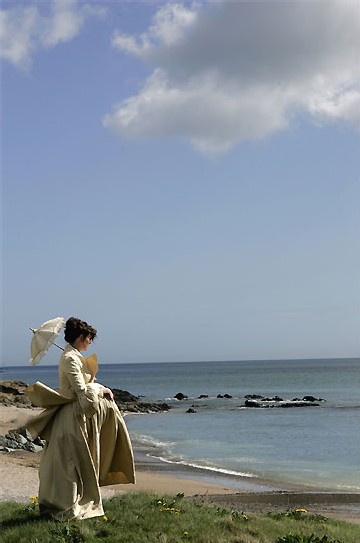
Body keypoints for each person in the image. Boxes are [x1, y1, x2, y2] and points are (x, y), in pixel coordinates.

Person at [26, 317, 135, 521]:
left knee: (76, 461)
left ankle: (71, 500)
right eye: (89, 338)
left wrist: (99, 388)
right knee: (71, 462)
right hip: (73, 416)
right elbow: (82, 392)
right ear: (80, 337)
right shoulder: (69, 358)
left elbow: (84, 386)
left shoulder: (73, 356)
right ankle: (67, 504)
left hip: (76, 414)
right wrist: (101, 389)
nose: (90, 342)